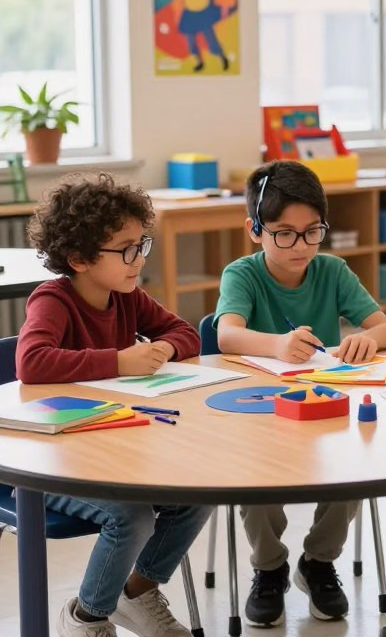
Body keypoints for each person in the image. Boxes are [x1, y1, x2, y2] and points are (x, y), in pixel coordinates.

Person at [16, 173, 209, 637]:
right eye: (126, 249)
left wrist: (162, 349)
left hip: (115, 446)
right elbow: (32, 362)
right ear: (80, 258)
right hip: (50, 459)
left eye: (141, 244)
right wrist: (119, 360)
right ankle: (86, 617)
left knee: (198, 493)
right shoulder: (53, 299)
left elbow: (187, 333)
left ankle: (135, 594)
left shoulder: (128, 297)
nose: (138, 258)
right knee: (130, 516)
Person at [214, 159, 386, 627]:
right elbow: (227, 336)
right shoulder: (243, 274)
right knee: (252, 482)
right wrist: (277, 344)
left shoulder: (332, 270)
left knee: (358, 466)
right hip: (256, 414)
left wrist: (367, 339)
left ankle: (318, 561)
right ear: (255, 230)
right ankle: (270, 564)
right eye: (284, 233)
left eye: (312, 231)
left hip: (326, 409)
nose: (300, 246)